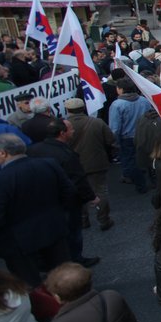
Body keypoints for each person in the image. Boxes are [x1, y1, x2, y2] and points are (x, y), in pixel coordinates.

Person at [0, 133, 75, 286]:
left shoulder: (2, 179)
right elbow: (69, 192)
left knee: (30, 284)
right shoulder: (48, 164)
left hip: (19, 242)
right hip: (53, 229)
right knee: (64, 277)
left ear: (3, 153)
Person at [27, 118, 100, 266]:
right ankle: (75, 260)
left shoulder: (34, 150)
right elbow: (77, 179)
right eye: (71, 129)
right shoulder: (66, 154)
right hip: (67, 201)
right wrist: (91, 197)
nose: (73, 131)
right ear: (62, 133)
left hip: (42, 200)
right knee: (73, 232)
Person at [64, 98, 117, 231]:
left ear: (68, 110)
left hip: (73, 165)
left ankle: (83, 220)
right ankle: (104, 219)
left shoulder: (63, 126)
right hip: (96, 162)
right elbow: (110, 139)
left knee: (78, 192)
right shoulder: (97, 122)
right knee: (101, 191)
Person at [108, 78, 151, 194]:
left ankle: (138, 182)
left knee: (130, 160)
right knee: (147, 158)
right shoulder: (144, 101)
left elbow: (115, 127)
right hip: (144, 135)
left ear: (120, 89)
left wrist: (114, 141)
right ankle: (151, 180)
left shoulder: (117, 105)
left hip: (127, 138)